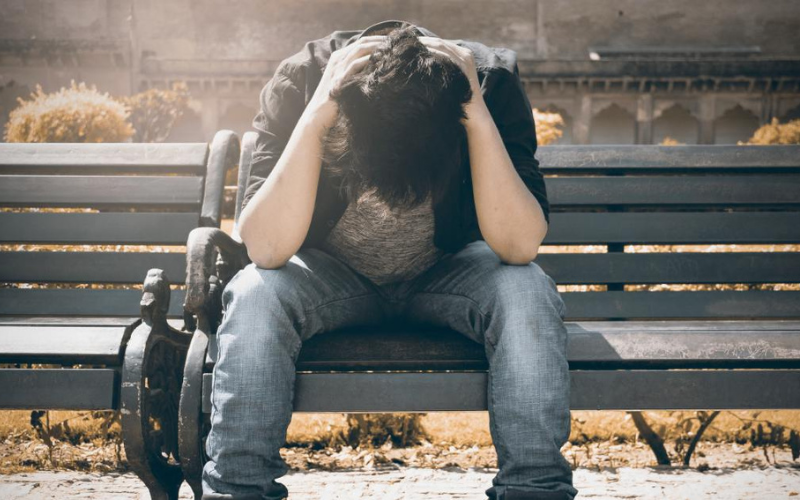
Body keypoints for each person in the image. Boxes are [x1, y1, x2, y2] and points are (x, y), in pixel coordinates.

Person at [201, 19, 577, 500]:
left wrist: (477, 117)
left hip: (448, 270)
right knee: (255, 293)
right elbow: (267, 249)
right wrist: (318, 114)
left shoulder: (488, 82)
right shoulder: (303, 81)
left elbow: (519, 246)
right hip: (330, 276)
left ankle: (534, 490)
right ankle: (237, 490)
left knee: (526, 290)